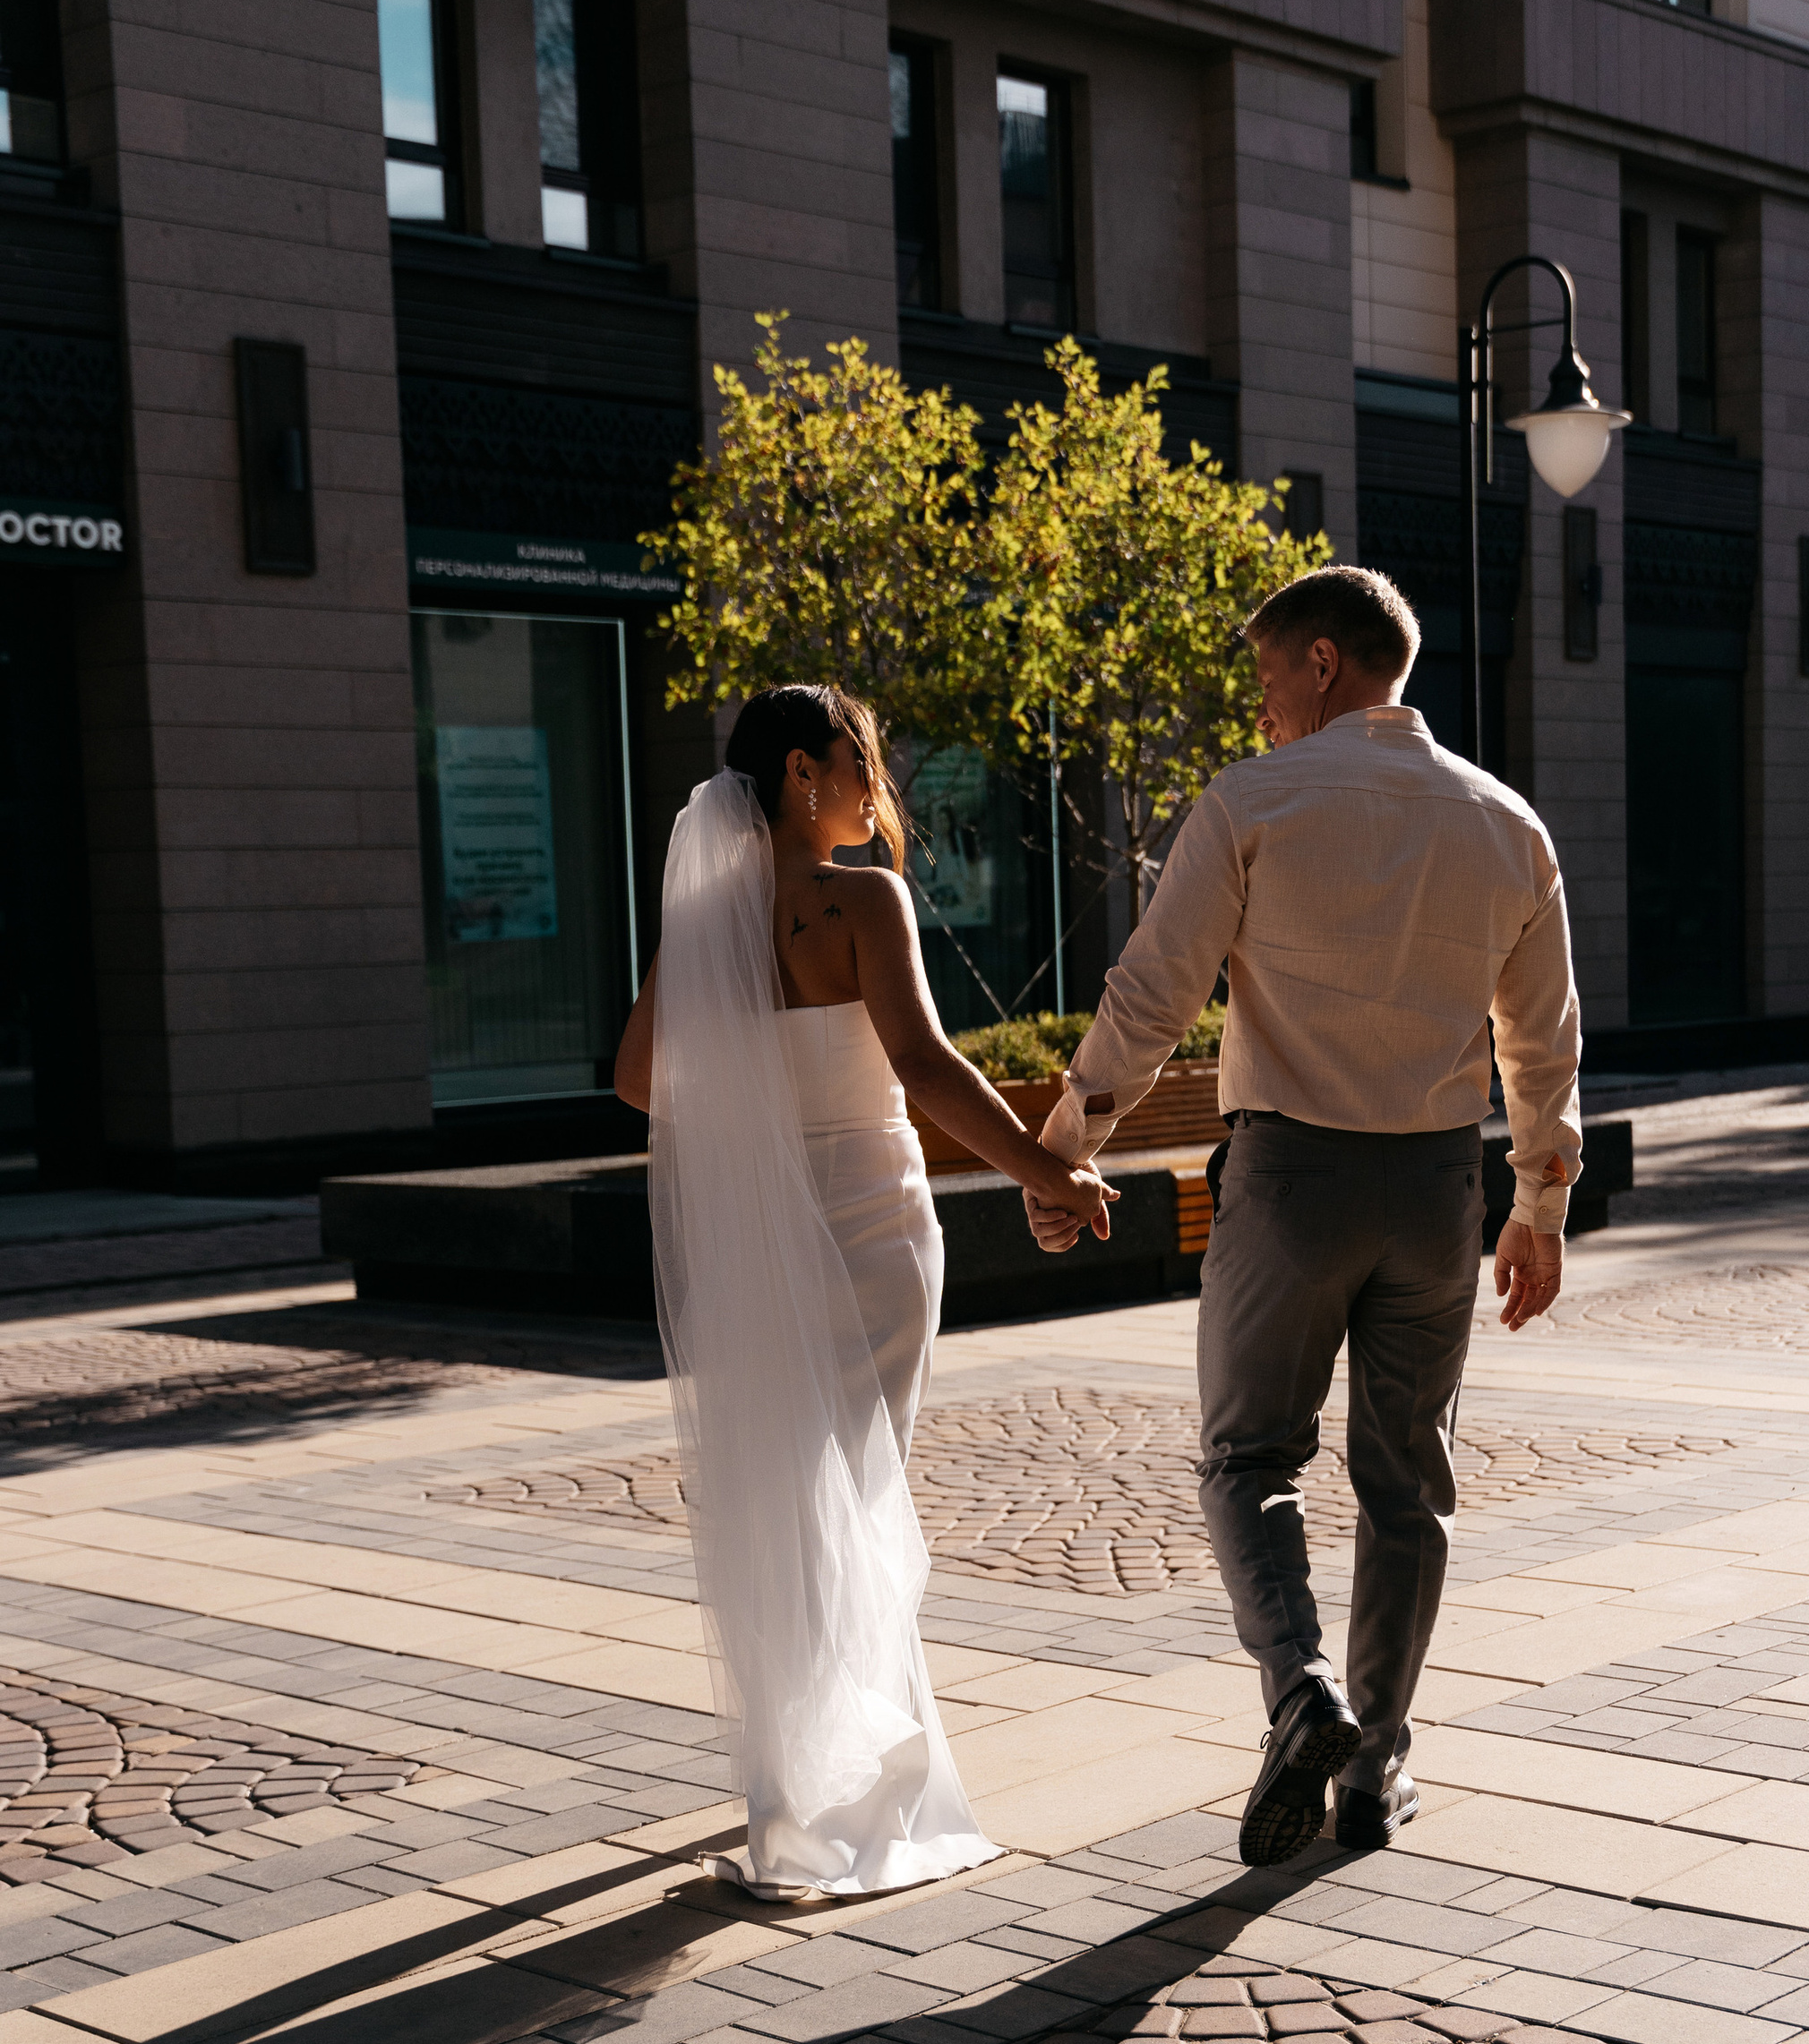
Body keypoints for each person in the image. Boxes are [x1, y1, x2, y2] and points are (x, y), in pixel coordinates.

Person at [1028, 568, 1580, 1867]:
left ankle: (1301, 1693)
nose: (1264, 706)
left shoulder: (1254, 801)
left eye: (1271, 678)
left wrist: (1065, 1153)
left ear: (1324, 663)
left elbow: (1151, 997)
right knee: (1408, 1487)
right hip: (1437, 1191)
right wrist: (1540, 1201)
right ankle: (1375, 1769)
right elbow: (1540, 1039)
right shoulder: (1510, 825)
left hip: (1287, 1187)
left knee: (1245, 1461)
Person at [614, 684, 1113, 1900]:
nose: (874, 786)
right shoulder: (863, 901)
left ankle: (790, 1783)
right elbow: (926, 1065)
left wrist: (755, 1135)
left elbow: (635, 1080)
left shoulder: (714, 923)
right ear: (801, 771)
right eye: (859, 761)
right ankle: (861, 1775)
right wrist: (1054, 1170)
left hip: (775, 1234)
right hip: (876, 1229)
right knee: (863, 1486)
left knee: (794, 1495)